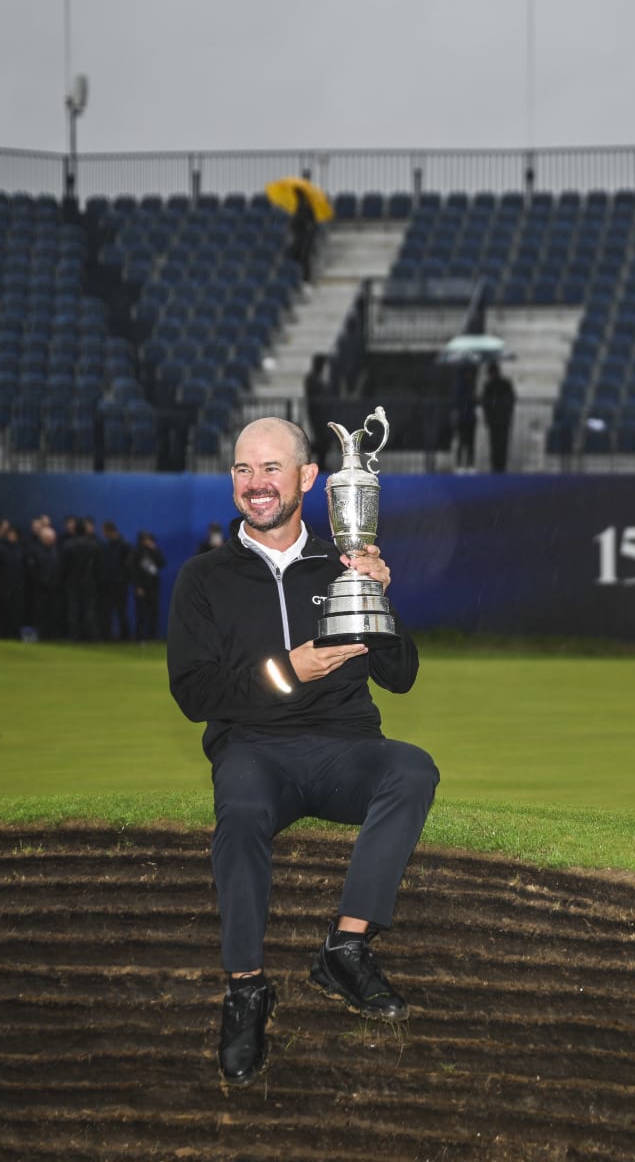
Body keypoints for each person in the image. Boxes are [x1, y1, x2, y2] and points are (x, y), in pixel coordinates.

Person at [167, 417, 436, 1089]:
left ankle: (345, 948)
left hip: (346, 748)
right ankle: (246, 992)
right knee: (240, 813)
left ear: (308, 479)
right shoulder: (204, 578)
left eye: (270, 470)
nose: (255, 485)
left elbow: (399, 676)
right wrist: (290, 670)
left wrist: (379, 595)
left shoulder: (342, 561)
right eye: (242, 470)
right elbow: (196, 692)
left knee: (412, 767)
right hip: (255, 752)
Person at [64, 518, 102, 641]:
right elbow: (98, 566)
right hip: (89, 582)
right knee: (89, 610)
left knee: (73, 610)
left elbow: (64, 565)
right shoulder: (94, 545)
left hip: (72, 582)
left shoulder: (68, 544)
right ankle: (91, 636)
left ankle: (74, 635)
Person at [128, 529, 166, 641]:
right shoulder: (136, 553)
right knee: (141, 614)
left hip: (154, 587)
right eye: (145, 539)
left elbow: (162, 563)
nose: (147, 541)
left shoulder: (154, 551)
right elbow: (133, 571)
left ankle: (153, 637)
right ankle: (140, 637)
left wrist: (155, 550)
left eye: (149, 539)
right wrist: (137, 586)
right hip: (141, 588)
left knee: (154, 613)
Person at [480, 360, 516, 473]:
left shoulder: (493, 385)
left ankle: (498, 466)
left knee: (497, 443)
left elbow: (486, 403)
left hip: (498, 418)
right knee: (499, 443)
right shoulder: (498, 384)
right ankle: (499, 465)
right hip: (500, 418)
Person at [98, 521, 132, 641]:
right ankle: (107, 636)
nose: (102, 533)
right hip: (109, 584)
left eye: (104, 531)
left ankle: (125, 637)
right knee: (108, 611)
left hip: (120, 584)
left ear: (108, 530)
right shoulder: (108, 546)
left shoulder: (124, 546)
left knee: (121, 611)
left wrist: (124, 578)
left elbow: (129, 566)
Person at [452, 362, 479, 472]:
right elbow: (459, 401)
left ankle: (470, 464)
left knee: (470, 442)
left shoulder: (470, 386)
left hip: (470, 418)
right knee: (462, 442)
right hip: (463, 418)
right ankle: (459, 464)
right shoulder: (461, 387)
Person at [289, 189, 318, 282]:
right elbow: (294, 223)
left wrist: (306, 224)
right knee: (295, 256)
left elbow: (312, 221)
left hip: (306, 236)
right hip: (298, 234)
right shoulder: (296, 207)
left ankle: (306, 277)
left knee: (304, 257)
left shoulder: (307, 207)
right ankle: (298, 277)